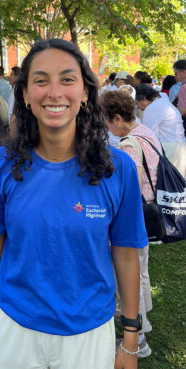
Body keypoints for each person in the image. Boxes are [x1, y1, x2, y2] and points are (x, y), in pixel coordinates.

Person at [0, 38, 148, 369]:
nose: (54, 92)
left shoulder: (118, 169)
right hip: (15, 328)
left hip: (89, 334)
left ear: (86, 92)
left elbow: (125, 254)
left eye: (67, 79)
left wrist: (131, 339)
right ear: (24, 94)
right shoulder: (0, 165)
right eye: (40, 81)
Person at [100, 90, 162, 358]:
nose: (105, 128)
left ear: (116, 118)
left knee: (129, 281)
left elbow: (129, 188)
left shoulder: (127, 146)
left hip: (132, 221)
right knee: (140, 276)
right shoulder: (146, 132)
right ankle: (141, 335)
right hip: (147, 217)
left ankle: (136, 341)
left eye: (106, 121)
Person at [135, 83, 186, 177]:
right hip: (179, 145)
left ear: (144, 99)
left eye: (137, 103)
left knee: (171, 184)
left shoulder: (152, 108)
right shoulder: (162, 101)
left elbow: (147, 136)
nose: (138, 107)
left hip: (169, 148)